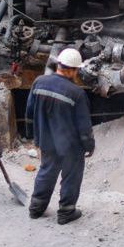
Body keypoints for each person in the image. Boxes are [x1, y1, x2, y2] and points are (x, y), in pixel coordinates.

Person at [27, 48, 95, 224]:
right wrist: (89, 146)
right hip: (70, 146)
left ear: (59, 65)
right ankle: (66, 212)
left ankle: (36, 208)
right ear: (73, 70)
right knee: (71, 175)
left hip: (46, 141)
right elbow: (84, 127)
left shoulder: (39, 82)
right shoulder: (77, 93)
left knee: (46, 171)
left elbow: (29, 112)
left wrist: (33, 138)